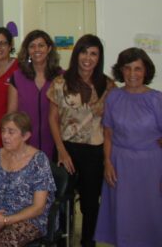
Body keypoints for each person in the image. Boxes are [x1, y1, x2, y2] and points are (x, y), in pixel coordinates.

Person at [47, 34, 114, 247]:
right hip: (67, 148)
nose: (88, 58)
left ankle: (88, 242)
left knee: (90, 204)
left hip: (95, 151)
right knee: (62, 201)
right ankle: (61, 241)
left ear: (99, 58)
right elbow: (53, 117)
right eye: (84, 52)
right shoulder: (61, 82)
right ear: (77, 54)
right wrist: (61, 150)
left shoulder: (108, 85)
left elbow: (111, 124)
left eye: (93, 53)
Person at [95, 48, 162, 247]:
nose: (132, 74)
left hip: (151, 167)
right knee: (123, 216)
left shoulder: (156, 99)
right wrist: (107, 162)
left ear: (146, 71)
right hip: (119, 165)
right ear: (121, 71)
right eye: (127, 69)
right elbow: (108, 133)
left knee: (150, 215)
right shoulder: (114, 96)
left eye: (138, 69)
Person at [0, 112, 55, 247]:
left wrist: (7, 220)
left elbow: (38, 207)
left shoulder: (39, 160)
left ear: (25, 136)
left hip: (28, 219)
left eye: (11, 132)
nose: (5, 136)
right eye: (3, 131)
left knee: (6, 240)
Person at [8, 30, 60, 158]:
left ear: (49, 49)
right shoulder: (17, 77)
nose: (37, 49)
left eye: (41, 45)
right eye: (32, 46)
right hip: (24, 145)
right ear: (27, 50)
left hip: (56, 145)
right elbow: (11, 116)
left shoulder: (61, 77)